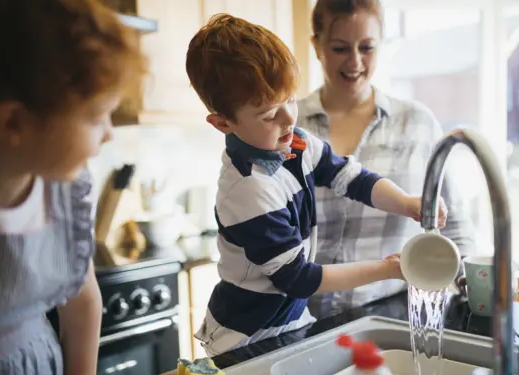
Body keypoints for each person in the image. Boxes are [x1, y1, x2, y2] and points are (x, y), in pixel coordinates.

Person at [185, 13, 448, 356]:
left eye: (290, 99)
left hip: (291, 325)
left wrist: (408, 203)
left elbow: (353, 178)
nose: (289, 118)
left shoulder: (294, 143)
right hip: (245, 338)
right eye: (269, 113)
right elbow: (299, 279)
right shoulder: (248, 189)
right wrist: (388, 269)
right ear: (223, 123)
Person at [0, 0, 147, 375]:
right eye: (97, 117)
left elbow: (81, 298)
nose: (109, 133)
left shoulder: (66, 189)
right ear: (14, 125)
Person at [297, 0, 476, 319]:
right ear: (316, 45)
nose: (355, 62)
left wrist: (469, 288)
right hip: (302, 318)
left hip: (394, 313)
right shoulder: (290, 127)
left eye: (367, 47)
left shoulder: (417, 123)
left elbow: (454, 226)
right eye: (339, 48)